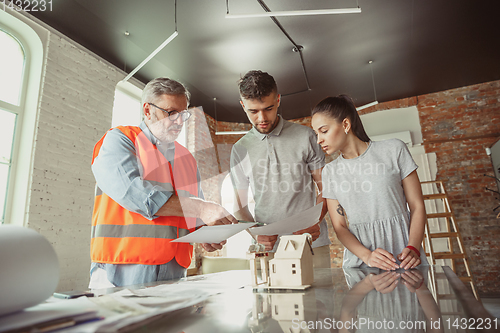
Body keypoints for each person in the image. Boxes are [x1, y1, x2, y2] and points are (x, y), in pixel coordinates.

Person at [89, 78, 237, 288]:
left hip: (174, 269)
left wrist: (205, 233)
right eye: (171, 113)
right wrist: (203, 209)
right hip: (122, 265)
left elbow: (190, 212)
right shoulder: (120, 140)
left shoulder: (186, 158)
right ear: (147, 110)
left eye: (183, 114)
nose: (179, 122)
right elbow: (137, 194)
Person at [311, 94, 427, 270]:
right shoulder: (330, 172)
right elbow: (340, 226)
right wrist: (367, 256)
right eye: (316, 133)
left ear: (345, 125)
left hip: (404, 255)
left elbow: (417, 205)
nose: (319, 139)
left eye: (324, 131)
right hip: (361, 262)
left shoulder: (394, 150)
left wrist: (413, 247)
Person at [230, 70, 331, 268]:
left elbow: (326, 187)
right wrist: (255, 233)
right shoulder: (239, 149)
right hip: (267, 250)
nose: (262, 118)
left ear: (278, 100)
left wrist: (316, 220)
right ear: (243, 106)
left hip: (311, 243)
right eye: (253, 111)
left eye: (268, 108)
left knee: (321, 299)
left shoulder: (306, 137)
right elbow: (239, 206)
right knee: (270, 300)